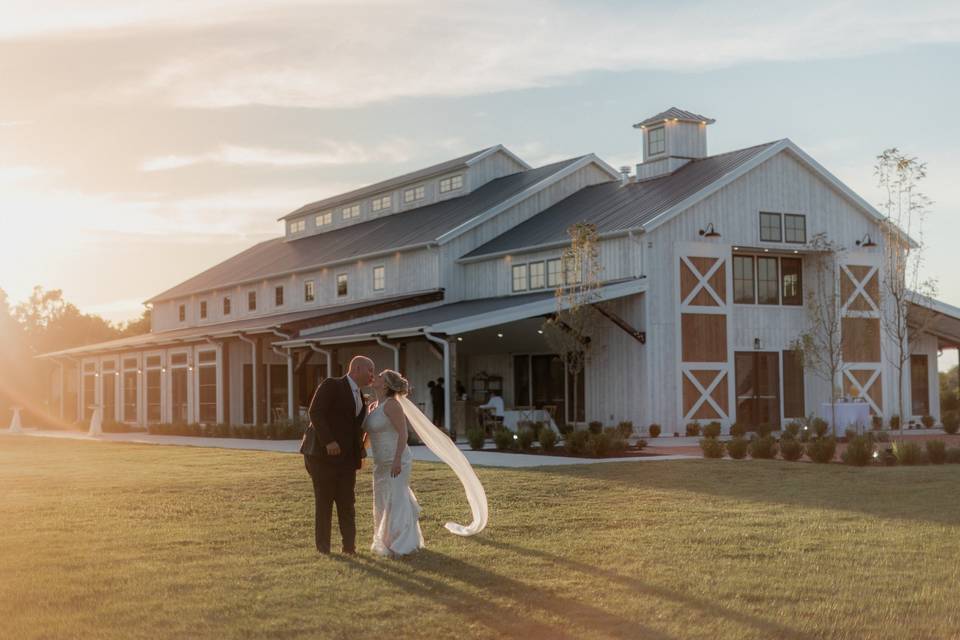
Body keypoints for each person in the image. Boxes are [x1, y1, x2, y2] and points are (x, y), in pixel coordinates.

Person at [364, 369, 490, 557]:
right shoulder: (373, 406)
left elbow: (403, 434)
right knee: (382, 500)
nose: (376, 377)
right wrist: (360, 450)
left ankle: (401, 543)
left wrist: (397, 459)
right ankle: (384, 539)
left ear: (387, 385)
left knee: (396, 499)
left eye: (380, 376)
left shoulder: (392, 405)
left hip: (397, 460)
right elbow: (369, 432)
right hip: (380, 463)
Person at [300, 355, 374, 555]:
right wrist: (329, 441)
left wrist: (359, 453)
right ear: (357, 368)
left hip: (347, 460)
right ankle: (324, 549)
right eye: (370, 371)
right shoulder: (331, 385)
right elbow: (315, 412)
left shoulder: (360, 396)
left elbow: (354, 428)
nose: (372, 376)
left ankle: (349, 548)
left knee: (347, 503)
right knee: (324, 503)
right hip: (321, 456)